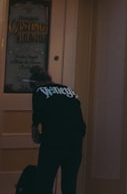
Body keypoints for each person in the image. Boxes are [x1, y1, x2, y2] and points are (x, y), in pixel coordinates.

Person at [30, 66, 86, 194]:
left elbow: (37, 115)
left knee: (44, 182)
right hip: (74, 142)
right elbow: (79, 119)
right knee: (69, 184)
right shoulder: (70, 91)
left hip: (53, 142)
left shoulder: (39, 90)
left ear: (36, 83)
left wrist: (35, 131)